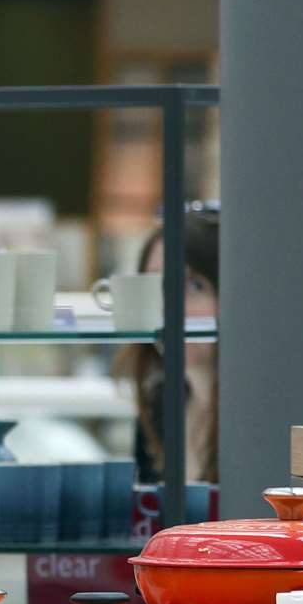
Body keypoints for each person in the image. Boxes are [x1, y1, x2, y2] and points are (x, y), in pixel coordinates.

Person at [114, 203, 219, 484]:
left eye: (194, 286)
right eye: (155, 287)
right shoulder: (160, 404)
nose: (169, 306)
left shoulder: (259, 413)